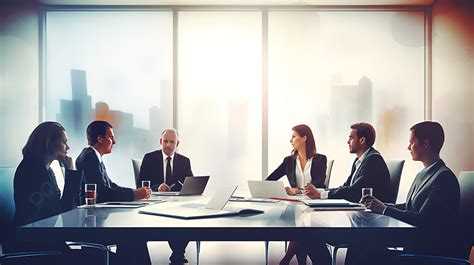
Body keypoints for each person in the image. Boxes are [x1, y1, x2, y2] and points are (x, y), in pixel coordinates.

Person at [361, 121, 471, 264]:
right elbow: (410, 206)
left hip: (428, 251)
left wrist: (384, 209)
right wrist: (381, 205)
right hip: (416, 245)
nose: (408, 147)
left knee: (363, 252)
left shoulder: (444, 178)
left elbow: (423, 220)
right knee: (363, 248)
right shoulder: (425, 174)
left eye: (412, 142)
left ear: (425, 144)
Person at [299, 122, 391, 265]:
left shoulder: (373, 160)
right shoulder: (360, 160)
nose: (347, 141)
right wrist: (321, 192)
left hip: (365, 227)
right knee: (307, 231)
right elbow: (346, 187)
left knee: (308, 233)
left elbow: (353, 192)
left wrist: (321, 195)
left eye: (351, 137)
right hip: (357, 220)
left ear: (362, 140)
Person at [76, 120, 151, 265]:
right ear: (100, 139)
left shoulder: (94, 156)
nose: (114, 142)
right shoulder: (90, 158)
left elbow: (111, 185)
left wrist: (134, 192)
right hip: (91, 224)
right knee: (136, 235)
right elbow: (103, 193)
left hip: (96, 218)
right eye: (111, 137)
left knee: (135, 235)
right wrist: (134, 195)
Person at [11, 121, 82, 264]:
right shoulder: (32, 171)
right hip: (35, 245)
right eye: (64, 142)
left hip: (45, 240)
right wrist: (71, 172)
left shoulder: (46, 170)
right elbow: (62, 212)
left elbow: (61, 211)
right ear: (48, 143)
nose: (67, 148)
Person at [265, 124, 327, 265]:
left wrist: (297, 190)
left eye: (294, 136)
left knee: (302, 226)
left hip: (314, 207)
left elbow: (320, 184)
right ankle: (288, 261)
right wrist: (279, 189)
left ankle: (286, 260)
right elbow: (270, 179)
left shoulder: (320, 159)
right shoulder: (289, 161)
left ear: (305, 138)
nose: (290, 140)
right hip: (295, 206)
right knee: (301, 226)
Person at [138, 128, 193, 264]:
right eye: (166, 141)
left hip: (177, 202)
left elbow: (190, 183)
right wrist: (157, 187)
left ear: (177, 144)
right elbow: (141, 184)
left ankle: (178, 253)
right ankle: (178, 254)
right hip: (155, 201)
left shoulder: (184, 161)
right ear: (160, 141)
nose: (168, 145)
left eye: (172, 142)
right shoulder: (149, 158)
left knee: (186, 218)